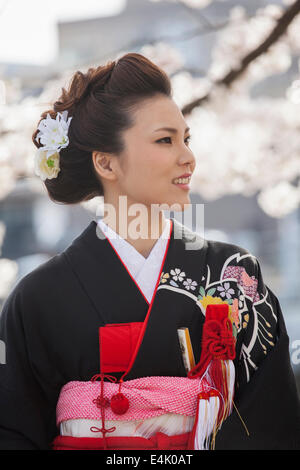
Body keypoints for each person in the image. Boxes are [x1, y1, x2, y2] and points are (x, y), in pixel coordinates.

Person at [0, 52, 299, 451]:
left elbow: (272, 422)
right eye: (165, 140)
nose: (187, 157)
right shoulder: (37, 297)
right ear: (106, 163)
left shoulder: (234, 273)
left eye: (186, 138)